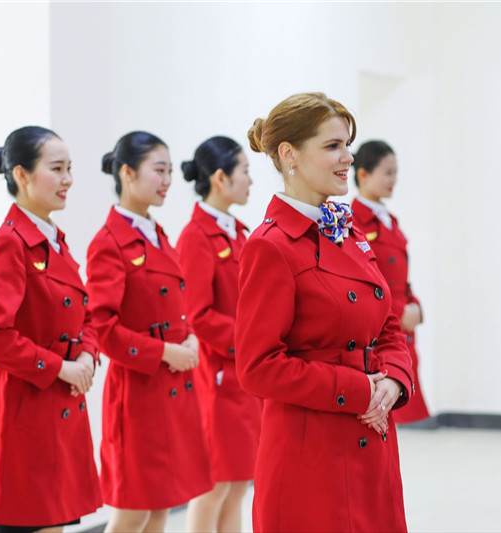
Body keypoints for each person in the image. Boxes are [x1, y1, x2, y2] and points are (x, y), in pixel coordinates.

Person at [236, 93, 415, 533]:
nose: (348, 157)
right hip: (310, 455)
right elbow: (257, 367)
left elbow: (387, 325)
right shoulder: (269, 245)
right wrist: (357, 389)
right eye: (333, 146)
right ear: (289, 154)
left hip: (372, 441)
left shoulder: (349, 229)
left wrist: (393, 381)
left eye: (347, 145)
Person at [0, 126, 102, 532]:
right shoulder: (9, 243)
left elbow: (87, 315)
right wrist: (59, 366)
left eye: (70, 169)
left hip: (62, 410)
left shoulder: (54, 240)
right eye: (56, 168)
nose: (67, 180)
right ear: (22, 175)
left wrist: (86, 355)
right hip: (26, 415)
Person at [86, 131, 212, 533]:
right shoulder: (109, 242)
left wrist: (189, 335)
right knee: (133, 510)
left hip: (172, 390)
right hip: (138, 395)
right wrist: (164, 352)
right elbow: (103, 327)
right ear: (127, 172)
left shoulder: (157, 234)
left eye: (171, 171)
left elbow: (175, 304)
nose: (167, 180)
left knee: (161, 505)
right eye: (159, 170)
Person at [176, 136, 262, 533]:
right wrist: (249, 339)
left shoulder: (240, 234)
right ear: (220, 178)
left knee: (238, 484)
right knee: (214, 485)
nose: (250, 180)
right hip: (218, 377)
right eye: (244, 171)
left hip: (245, 376)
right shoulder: (196, 236)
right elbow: (198, 315)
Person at [352, 140, 430, 424]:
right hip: (378, 333)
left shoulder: (389, 221)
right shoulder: (353, 222)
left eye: (395, 172)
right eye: (387, 172)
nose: (393, 180)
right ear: (363, 174)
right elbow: (363, 283)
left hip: (401, 331)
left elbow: (401, 280)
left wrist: (417, 307)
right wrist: (400, 310)